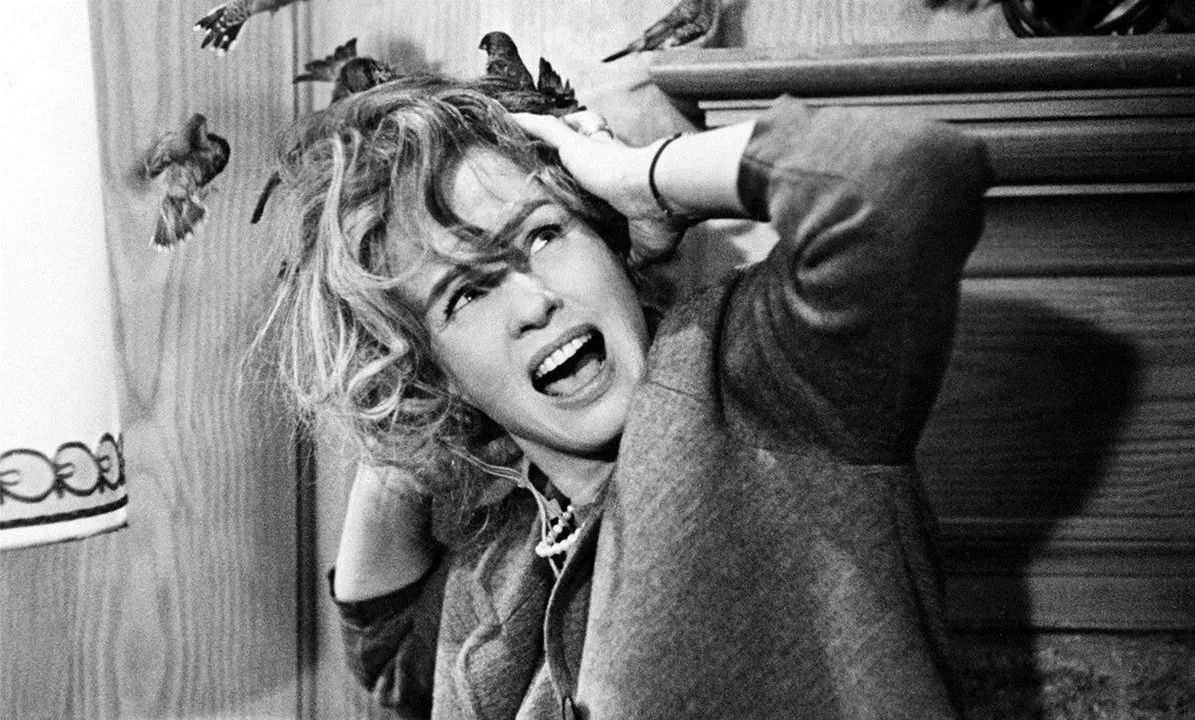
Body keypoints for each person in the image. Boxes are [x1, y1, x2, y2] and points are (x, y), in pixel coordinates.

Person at [260, 75, 991, 719]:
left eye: (543, 236)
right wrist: (403, 412)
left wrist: (642, 178)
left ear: (610, 241)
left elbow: (904, 175)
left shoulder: (761, 379)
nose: (534, 303)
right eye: (468, 292)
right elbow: (389, 657)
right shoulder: (503, 555)